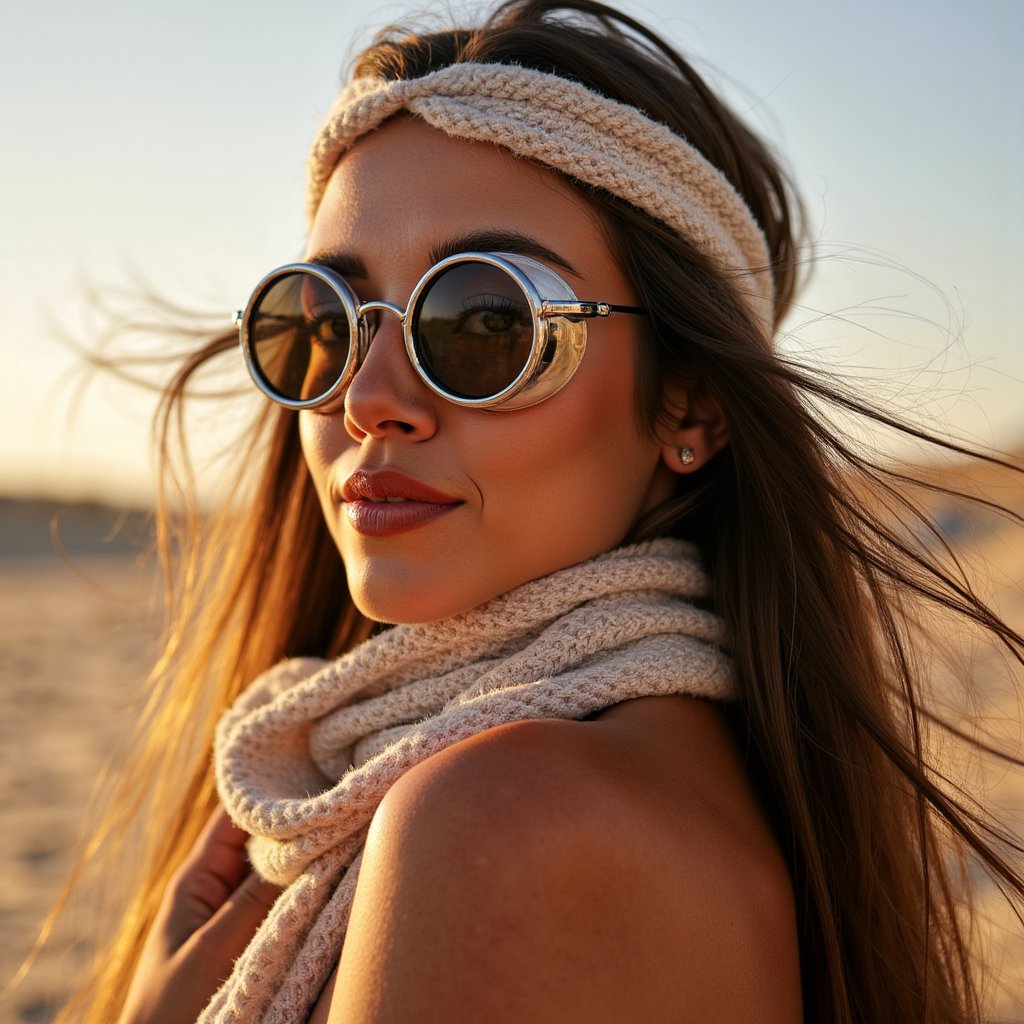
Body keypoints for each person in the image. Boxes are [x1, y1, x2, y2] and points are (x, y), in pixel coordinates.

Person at [53, 1, 1023, 1021]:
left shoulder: (499, 818)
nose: (370, 395)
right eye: (324, 323)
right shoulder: (680, 781)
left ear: (685, 399)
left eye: (484, 321)